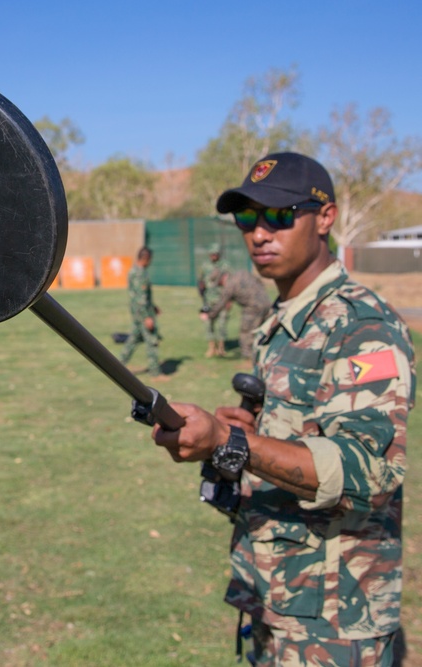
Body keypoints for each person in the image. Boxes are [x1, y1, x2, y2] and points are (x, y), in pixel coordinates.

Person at [152, 152, 415, 666]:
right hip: (277, 597)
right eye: (247, 218)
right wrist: (248, 428)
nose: (259, 233)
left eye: (278, 215)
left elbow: (371, 470)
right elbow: (301, 429)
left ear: (325, 218)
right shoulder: (285, 318)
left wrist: (231, 443)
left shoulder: (362, 326)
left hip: (336, 623)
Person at [201, 269, 272, 362]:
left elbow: (221, 304)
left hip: (253, 307)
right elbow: (259, 281)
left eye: (219, 283)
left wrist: (209, 316)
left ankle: (248, 358)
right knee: (266, 330)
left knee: (246, 332)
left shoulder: (229, 285)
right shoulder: (241, 273)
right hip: (267, 302)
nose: (220, 286)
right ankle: (267, 353)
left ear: (222, 278)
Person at [119, 246, 164, 377]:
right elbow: (141, 298)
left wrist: (153, 306)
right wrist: (147, 317)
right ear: (146, 258)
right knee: (152, 340)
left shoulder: (133, 271)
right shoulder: (140, 273)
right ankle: (155, 373)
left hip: (137, 312)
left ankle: (119, 364)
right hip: (142, 314)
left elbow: (140, 296)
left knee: (133, 339)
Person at [197, 243, 228, 358]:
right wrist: (202, 295)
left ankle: (221, 348)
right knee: (208, 325)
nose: (213, 256)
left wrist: (229, 300)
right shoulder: (205, 266)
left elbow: (230, 283)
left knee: (222, 325)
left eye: (215, 253)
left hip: (222, 300)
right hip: (208, 301)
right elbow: (200, 282)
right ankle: (211, 348)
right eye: (211, 254)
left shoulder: (225, 266)